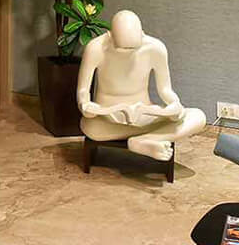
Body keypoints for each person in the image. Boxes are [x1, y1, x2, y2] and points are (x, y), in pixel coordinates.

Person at [76, 10, 206, 161]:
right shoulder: (95, 48)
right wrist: (86, 106)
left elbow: (165, 90)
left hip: (144, 115)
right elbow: (83, 92)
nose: (127, 53)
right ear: (110, 35)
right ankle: (153, 137)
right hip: (108, 119)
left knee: (198, 116)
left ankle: (142, 141)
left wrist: (174, 105)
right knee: (89, 127)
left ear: (142, 34)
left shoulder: (155, 48)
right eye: (121, 48)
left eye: (133, 48)